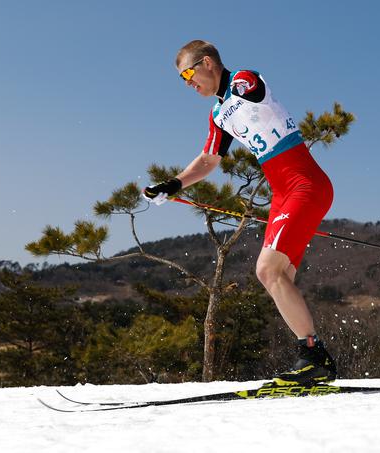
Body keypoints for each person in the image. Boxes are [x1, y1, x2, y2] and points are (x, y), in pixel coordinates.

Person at [143, 40, 336, 385]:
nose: (188, 84)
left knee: (268, 268)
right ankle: (311, 360)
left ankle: (314, 358)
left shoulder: (242, 82)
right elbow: (208, 160)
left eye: (189, 74)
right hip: (283, 192)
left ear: (206, 63)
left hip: (304, 184)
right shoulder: (217, 114)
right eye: (182, 79)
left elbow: (253, 87)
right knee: (275, 277)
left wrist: (243, 89)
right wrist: (173, 184)